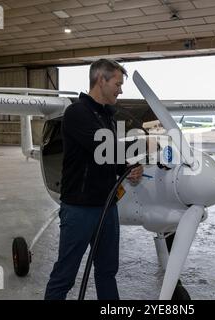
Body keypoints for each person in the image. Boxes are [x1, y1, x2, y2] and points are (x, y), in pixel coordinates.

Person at [44, 59, 143, 300]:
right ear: (101, 80)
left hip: (107, 207)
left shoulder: (106, 116)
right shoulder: (77, 113)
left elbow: (109, 157)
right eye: (118, 84)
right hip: (79, 209)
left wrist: (129, 168)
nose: (121, 89)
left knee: (107, 272)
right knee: (65, 276)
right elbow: (103, 148)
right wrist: (146, 145)